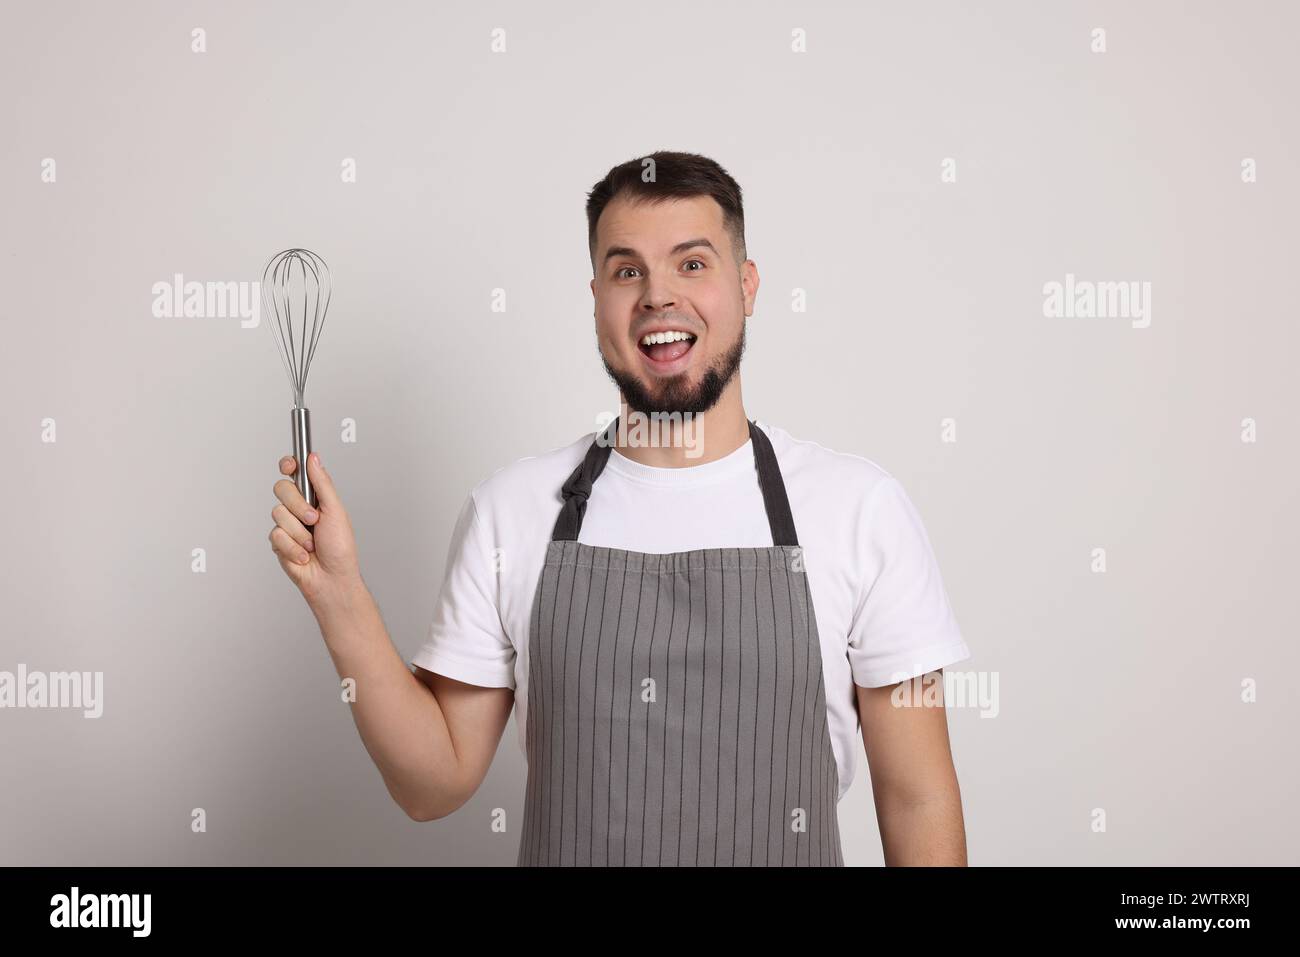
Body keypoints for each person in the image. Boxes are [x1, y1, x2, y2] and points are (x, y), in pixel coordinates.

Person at [267, 151, 972, 866]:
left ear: (747, 284)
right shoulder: (510, 512)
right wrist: (340, 595)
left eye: (692, 263)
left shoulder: (862, 511)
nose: (658, 296)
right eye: (627, 270)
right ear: (598, 295)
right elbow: (433, 782)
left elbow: (918, 799)